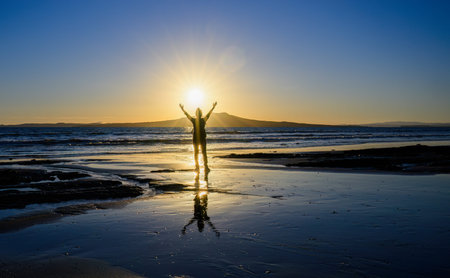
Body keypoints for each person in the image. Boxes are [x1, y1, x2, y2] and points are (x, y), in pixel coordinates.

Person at [179, 101, 217, 172]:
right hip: (201, 138)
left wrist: (182, 109)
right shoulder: (203, 120)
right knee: (203, 153)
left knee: (197, 153)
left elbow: (187, 115)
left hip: (197, 139)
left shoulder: (195, 120)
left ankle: (198, 167)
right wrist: (213, 107)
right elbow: (209, 114)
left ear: (196, 114)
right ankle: (204, 167)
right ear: (200, 114)